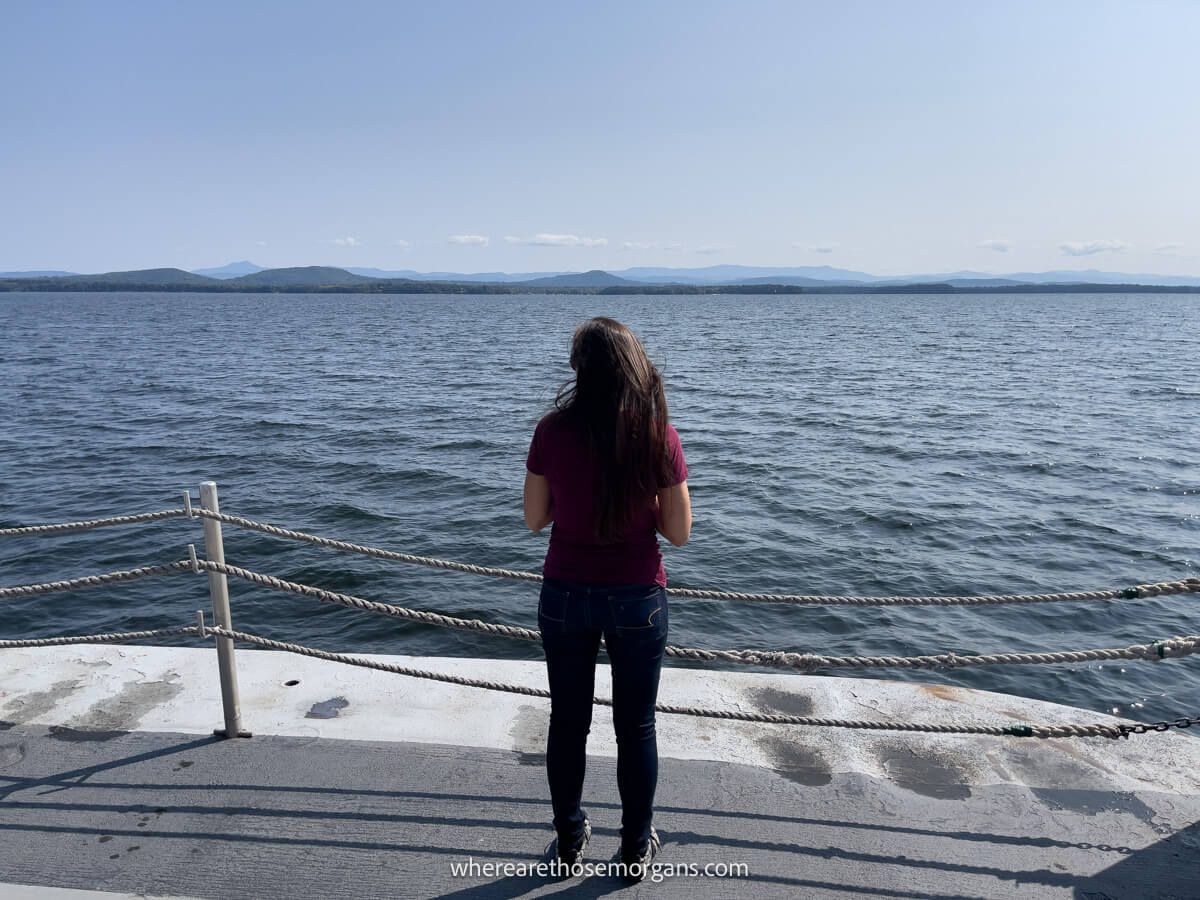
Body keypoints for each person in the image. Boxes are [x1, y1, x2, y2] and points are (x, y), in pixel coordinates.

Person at [523, 316, 691, 882]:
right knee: (636, 727)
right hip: (637, 597)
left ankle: (569, 840)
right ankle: (635, 847)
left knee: (568, 722)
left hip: (566, 592)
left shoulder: (551, 431)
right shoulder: (656, 433)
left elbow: (533, 519)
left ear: (580, 369)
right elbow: (679, 531)